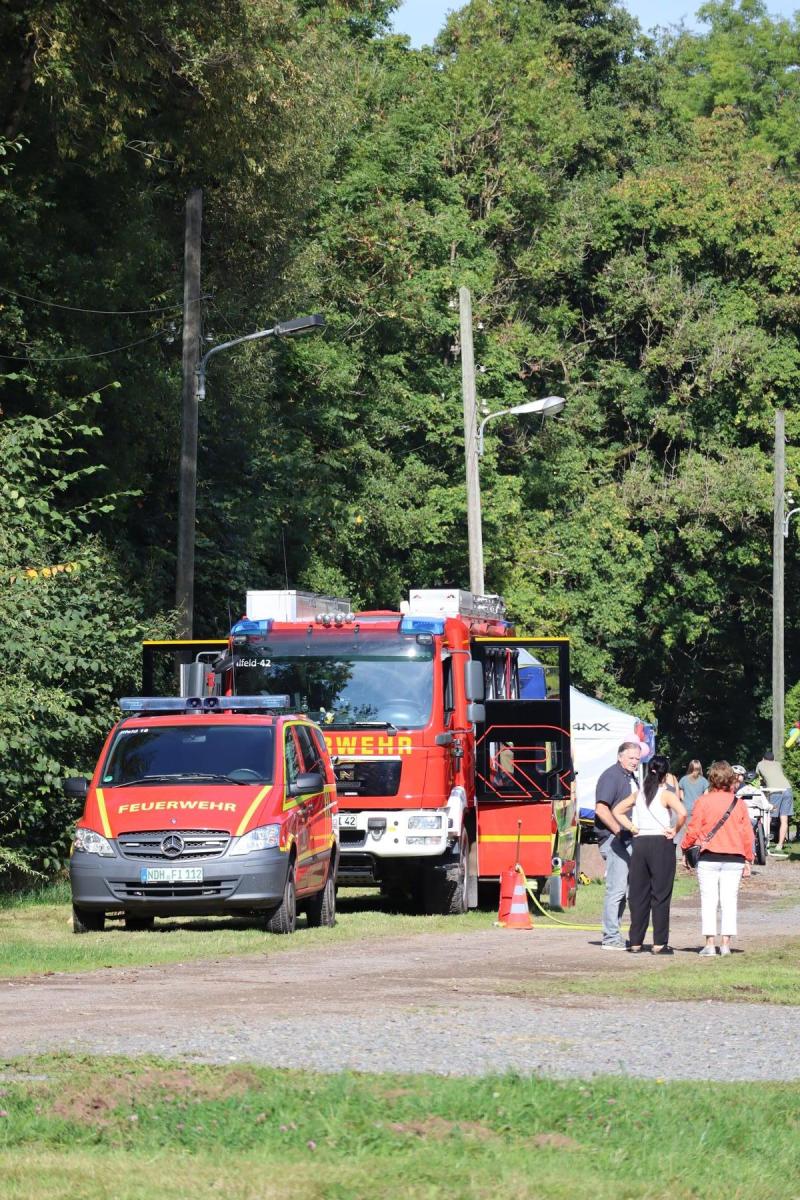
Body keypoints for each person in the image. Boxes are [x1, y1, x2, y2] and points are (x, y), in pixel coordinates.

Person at [613, 754, 686, 955]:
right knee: (660, 894)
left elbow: (617, 810)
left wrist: (632, 827)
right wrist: (675, 830)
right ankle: (659, 943)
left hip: (640, 842)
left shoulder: (638, 794)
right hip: (660, 843)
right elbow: (683, 813)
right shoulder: (666, 794)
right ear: (666, 774)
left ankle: (635, 941)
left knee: (638, 894)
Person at [682, 760, 754, 956]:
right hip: (735, 858)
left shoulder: (703, 802)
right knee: (730, 901)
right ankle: (725, 945)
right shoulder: (739, 804)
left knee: (709, 900)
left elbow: (693, 830)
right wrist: (748, 858)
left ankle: (709, 944)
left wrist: (685, 848)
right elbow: (747, 834)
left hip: (708, 857)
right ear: (731, 779)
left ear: (711, 779)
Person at [594, 741, 641, 949]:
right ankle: (610, 937)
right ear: (620, 757)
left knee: (625, 890)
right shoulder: (611, 776)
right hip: (614, 839)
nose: (635, 762)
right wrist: (619, 832)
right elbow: (601, 809)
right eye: (631, 757)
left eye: (637, 758)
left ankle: (615, 935)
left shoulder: (630, 777)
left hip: (628, 838)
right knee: (616, 889)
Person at [755, 751, 792, 856]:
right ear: (773, 759)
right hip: (787, 789)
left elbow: (757, 777)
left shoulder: (760, 764)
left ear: (763, 758)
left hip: (775, 790)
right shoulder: (778, 764)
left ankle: (764, 843)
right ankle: (779, 845)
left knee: (769, 816)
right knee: (784, 818)